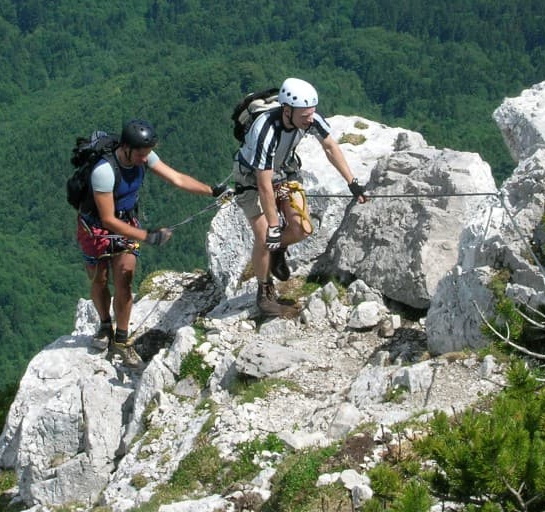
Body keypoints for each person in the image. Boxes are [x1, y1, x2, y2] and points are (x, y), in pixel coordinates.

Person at [77, 118, 225, 368]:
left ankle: (122, 340)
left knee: (125, 278)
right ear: (126, 148)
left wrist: (211, 190)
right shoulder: (104, 171)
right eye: (141, 153)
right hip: (95, 228)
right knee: (100, 280)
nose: (146, 158)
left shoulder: (143, 156)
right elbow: (107, 219)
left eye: (148, 153)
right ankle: (104, 325)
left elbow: (176, 178)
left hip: (125, 222)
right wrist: (147, 236)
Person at [233, 77, 367, 316]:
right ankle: (264, 294)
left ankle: (278, 249)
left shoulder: (308, 119)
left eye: (311, 113)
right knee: (264, 236)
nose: (310, 119)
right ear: (287, 110)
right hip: (251, 181)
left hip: (284, 172)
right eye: (304, 115)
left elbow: (330, 147)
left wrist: (352, 182)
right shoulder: (266, 130)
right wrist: (274, 227)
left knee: (302, 228)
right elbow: (263, 184)